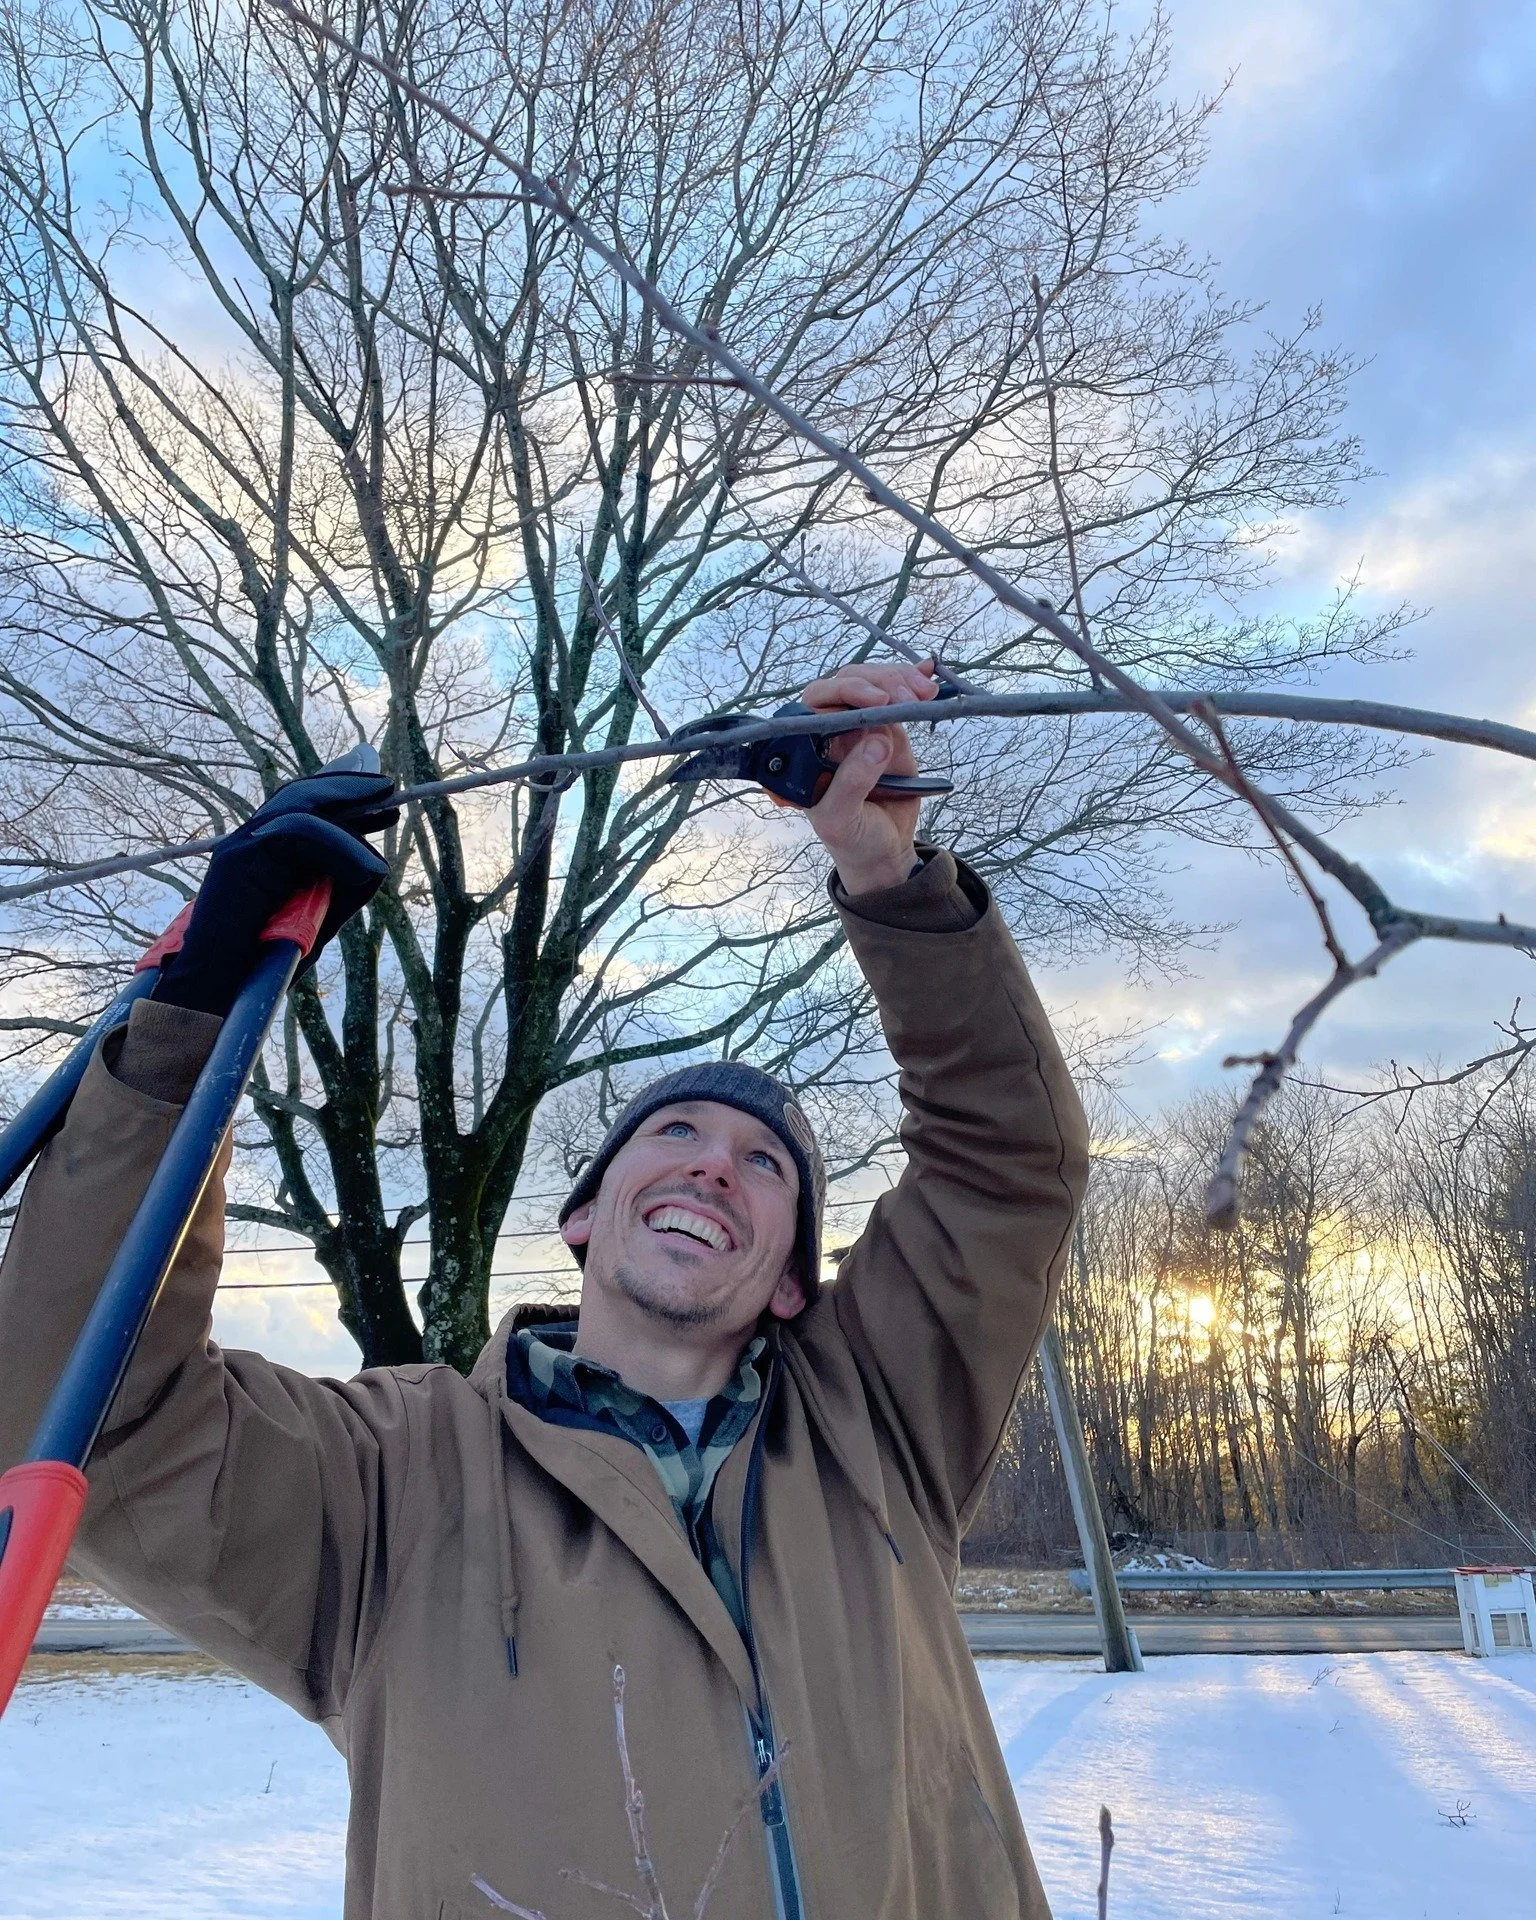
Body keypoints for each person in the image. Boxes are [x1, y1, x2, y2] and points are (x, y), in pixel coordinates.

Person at [0, 659, 1087, 1920]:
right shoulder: (392, 1478)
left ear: (795, 1282)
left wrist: (886, 876)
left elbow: (1008, 1164)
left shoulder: (876, 1428)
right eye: (672, 1133)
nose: (713, 1168)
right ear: (583, 1216)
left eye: (765, 1166)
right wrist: (188, 1022)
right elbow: (93, 1417)